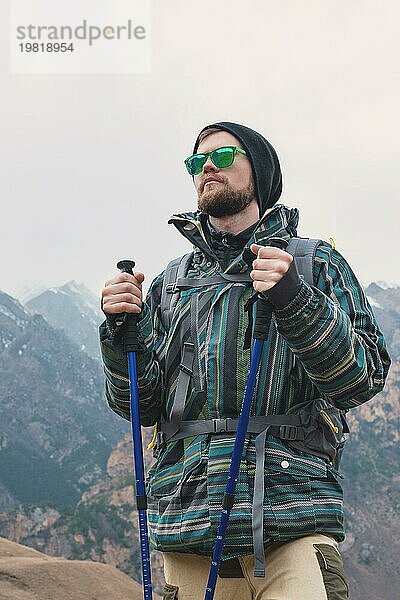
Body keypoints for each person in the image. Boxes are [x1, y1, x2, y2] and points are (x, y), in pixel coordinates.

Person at [99, 122, 391, 600]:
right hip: (188, 530)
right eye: (196, 161)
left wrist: (295, 299)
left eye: (222, 155)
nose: (206, 167)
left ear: (259, 168)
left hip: (290, 526)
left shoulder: (315, 265)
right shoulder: (170, 285)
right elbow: (137, 405)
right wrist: (118, 335)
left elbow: (361, 379)